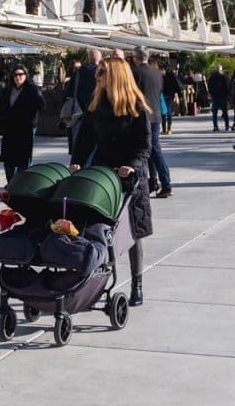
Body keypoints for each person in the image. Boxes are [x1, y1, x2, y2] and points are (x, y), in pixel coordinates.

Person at [69, 57, 153, 307]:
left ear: (116, 75)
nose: (97, 77)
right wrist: (77, 162)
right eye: (98, 73)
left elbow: (144, 145)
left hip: (130, 176)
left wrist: (132, 166)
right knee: (98, 228)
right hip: (104, 174)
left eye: (102, 73)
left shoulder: (135, 106)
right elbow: (84, 140)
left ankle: (137, 284)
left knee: (132, 231)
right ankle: (98, 281)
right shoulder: (97, 105)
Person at [0, 65, 45, 184]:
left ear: (26, 76)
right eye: (15, 75)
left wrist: (31, 115)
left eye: (21, 75)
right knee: (8, 160)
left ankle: (20, 184)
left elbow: (42, 105)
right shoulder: (8, 89)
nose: (18, 77)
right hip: (10, 128)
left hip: (25, 128)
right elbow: (2, 106)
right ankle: (11, 183)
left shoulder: (31, 89)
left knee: (23, 160)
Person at [132, 46, 171, 198]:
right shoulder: (157, 73)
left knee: (152, 150)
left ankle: (166, 184)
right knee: (152, 149)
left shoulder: (135, 73)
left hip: (142, 116)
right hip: (155, 115)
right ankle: (154, 181)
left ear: (136, 57)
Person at [70, 50, 101, 152]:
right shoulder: (102, 72)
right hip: (96, 109)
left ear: (88, 58)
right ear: (99, 59)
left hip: (79, 109)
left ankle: (76, 157)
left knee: (78, 137)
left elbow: (69, 90)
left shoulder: (79, 71)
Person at [161, 63, 184, 136]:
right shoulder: (161, 76)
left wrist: (180, 96)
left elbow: (177, 86)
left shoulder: (171, 76)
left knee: (168, 113)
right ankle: (164, 129)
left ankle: (169, 128)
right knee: (163, 113)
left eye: (162, 70)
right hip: (163, 96)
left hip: (169, 96)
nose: (161, 71)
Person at [208, 65, 231, 132]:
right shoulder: (225, 77)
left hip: (215, 97)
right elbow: (228, 87)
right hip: (222, 97)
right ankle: (227, 126)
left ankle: (215, 126)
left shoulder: (212, 77)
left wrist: (211, 94)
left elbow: (209, 87)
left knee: (215, 113)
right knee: (225, 113)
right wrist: (228, 96)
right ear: (221, 70)